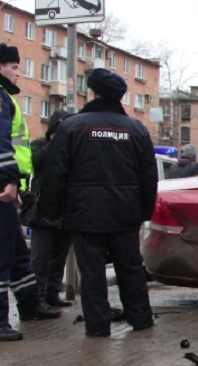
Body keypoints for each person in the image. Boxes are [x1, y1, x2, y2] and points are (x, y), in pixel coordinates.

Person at [39, 68, 158, 338]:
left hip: (84, 213)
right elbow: (148, 176)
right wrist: (144, 210)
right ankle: (141, 320)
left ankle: (97, 326)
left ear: (93, 93)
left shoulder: (72, 126)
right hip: (125, 214)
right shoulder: (136, 130)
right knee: (130, 268)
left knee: (91, 273)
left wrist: (51, 211)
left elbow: (55, 173)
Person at [0, 44, 61, 342]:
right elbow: (2, 147)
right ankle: (0, 321)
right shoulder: (0, 100)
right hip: (2, 187)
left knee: (17, 253)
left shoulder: (7, 99)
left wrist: (18, 184)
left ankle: (29, 303)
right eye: (13, 66)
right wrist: (9, 181)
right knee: (3, 255)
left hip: (11, 187)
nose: (18, 72)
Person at [28, 110, 75, 307]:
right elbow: (36, 162)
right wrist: (54, 143)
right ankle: (36, 298)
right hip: (43, 210)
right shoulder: (40, 145)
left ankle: (52, 294)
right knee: (40, 258)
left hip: (65, 210)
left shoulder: (72, 149)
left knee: (59, 257)